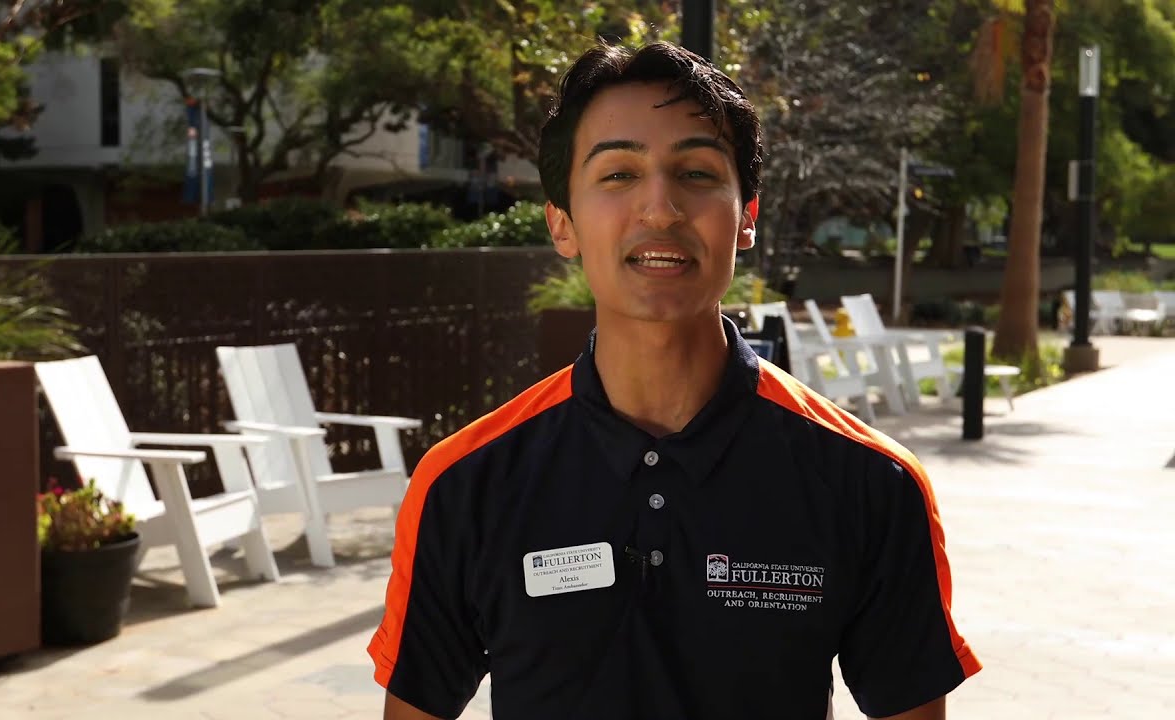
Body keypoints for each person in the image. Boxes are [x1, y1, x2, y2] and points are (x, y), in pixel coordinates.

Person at [369, 40, 980, 720]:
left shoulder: (870, 482)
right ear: (562, 224)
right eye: (618, 174)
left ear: (746, 218)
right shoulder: (463, 483)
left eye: (695, 172)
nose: (659, 209)